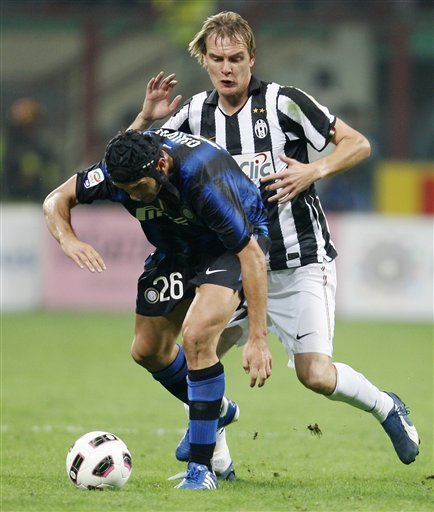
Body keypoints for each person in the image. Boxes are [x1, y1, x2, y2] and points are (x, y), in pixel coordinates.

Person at [128, 10, 420, 471]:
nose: (227, 68)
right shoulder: (192, 114)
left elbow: (358, 143)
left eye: (236, 58)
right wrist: (146, 119)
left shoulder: (284, 103)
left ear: (252, 58)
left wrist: (313, 169)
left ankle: (387, 407)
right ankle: (216, 460)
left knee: (316, 375)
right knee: (196, 355)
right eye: (218, 58)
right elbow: (128, 163)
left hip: (299, 260)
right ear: (204, 60)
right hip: (234, 263)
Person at [43, 128, 272, 490]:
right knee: (147, 350)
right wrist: (68, 239)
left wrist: (258, 337)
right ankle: (217, 411)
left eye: (138, 188)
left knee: (197, 336)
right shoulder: (119, 173)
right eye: (126, 190)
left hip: (228, 246)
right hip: (176, 248)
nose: (132, 197)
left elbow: (252, 256)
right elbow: (55, 200)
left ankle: (202, 469)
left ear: (162, 165)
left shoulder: (201, 181)